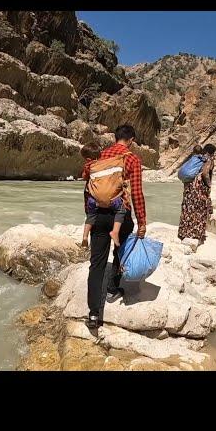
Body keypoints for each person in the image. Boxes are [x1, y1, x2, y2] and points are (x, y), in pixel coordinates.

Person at [85, 124, 146, 329]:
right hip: (121, 215)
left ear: (115, 137)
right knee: (120, 249)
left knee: (96, 263)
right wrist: (142, 221)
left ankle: (93, 314)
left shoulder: (100, 156)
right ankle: (112, 287)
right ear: (131, 139)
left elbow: (88, 186)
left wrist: (90, 215)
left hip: (99, 215)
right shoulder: (131, 159)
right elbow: (136, 193)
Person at [80, 143, 128, 248]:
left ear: (87, 159)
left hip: (94, 201)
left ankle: (84, 236)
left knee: (91, 216)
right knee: (121, 210)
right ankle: (115, 231)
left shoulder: (89, 166)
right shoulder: (108, 163)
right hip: (112, 201)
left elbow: (84, 177)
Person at [177, 143, 216, 245]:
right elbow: (205, 173)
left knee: (188, 208)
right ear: (211, 153)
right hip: (199, 188)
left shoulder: (197, 157)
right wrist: (209, 184)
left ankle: (184, 232)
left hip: (190, 187)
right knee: (199, 210)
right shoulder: (208, 160)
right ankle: (195, 233)